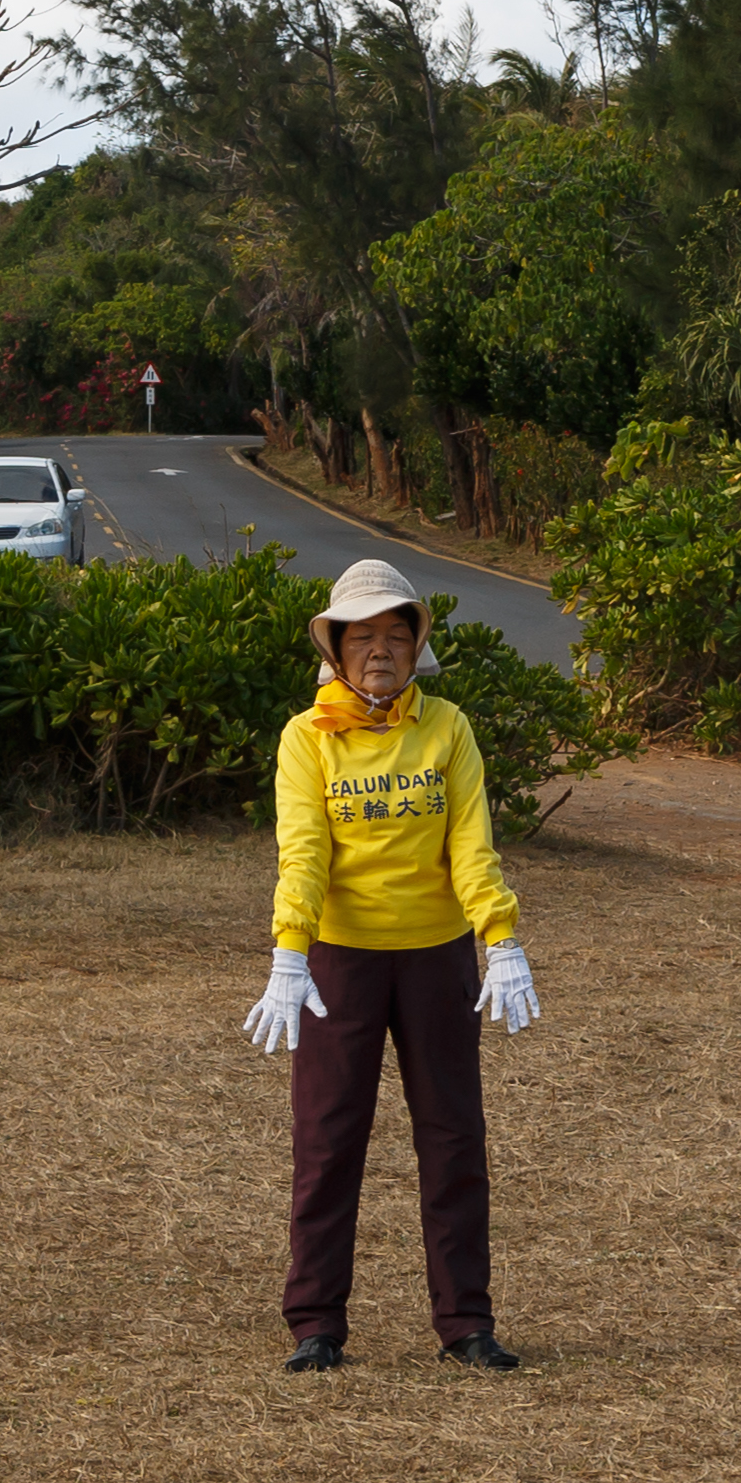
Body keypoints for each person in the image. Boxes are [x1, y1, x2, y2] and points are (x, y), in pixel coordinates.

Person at [243, 559, 539, 1375]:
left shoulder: (447, 728)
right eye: (363, 635)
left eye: (396, 634)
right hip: (340, 963)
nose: (380, 649)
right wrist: (289, 953)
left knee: (453, 1138)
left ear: (417, 648)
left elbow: (471, 846)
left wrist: (500, 937)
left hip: (437, 957)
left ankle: (466, 1323)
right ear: (335, 649)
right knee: (330, 1138)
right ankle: (316, 1324)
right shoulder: (307, 736)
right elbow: (302, 853)